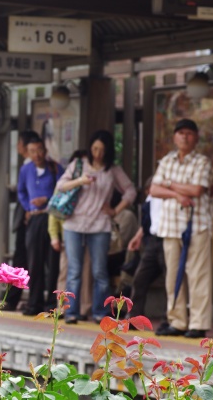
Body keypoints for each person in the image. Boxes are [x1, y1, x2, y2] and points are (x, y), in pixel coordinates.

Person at [57, 130, 136, 324]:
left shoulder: (112, 170)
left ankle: (100, 312)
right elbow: (61, 186)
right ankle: (71, 312)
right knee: (74, 270)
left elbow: (131, 191)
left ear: (108, 151)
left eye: (101, 150)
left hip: (100, 225)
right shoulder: (79, 165)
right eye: (94, 149)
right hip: (74, 224)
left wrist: (115, 210)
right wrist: (80, 181)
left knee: (99, 271)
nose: (97, 153)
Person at [150, 118, 213, 339]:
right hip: (170, 226)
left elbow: (196, 190)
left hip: (197, 225)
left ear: (196, 138)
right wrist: (176, 192)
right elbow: (154, 189)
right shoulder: (166, 160)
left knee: (198, 275)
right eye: (181, 133)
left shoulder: (202, 162)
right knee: (172, 277)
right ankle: (177, 321)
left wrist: (168, 183)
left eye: (189, 133)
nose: (184, 136)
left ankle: (198, 323)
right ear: (174, 137)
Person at [17, 137, 64, 315]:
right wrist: (28, 206)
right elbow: (21, 191)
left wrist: (47, 199)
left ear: (45, 150)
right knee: (34, 263)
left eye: (39, 150)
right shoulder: (25, 170)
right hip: (34, 219)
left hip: (52, 218)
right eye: (32, 151)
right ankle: (34, 303)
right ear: (28, 153)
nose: (37, 154)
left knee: (53, 263)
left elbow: (63, 191)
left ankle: (52, 304)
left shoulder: (55, 168)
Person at [50, 150, 92, 317]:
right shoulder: (65, 184)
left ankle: (84, 308)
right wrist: (54, 236)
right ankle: (62, 308)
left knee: (87, 271)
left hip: (88, 232)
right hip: (68, 233)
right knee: (66, 271)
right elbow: (53, 211)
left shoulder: (90, 185)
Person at [3, 130, 41, 311]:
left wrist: (29, 209)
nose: (17, 146)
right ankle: (14, 298)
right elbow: (22, 193)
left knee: (25, 259)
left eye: (19, 143)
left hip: (32, 218)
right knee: (22, 259)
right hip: (27, 216)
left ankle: (16, 299)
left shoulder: (37, 167)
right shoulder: (27, 167)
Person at [125, 177, 166, 320]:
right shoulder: (149, 202)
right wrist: (138, 236)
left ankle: (170, 317)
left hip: (167, 238)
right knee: (140, 277)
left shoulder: (167, 198)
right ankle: (134, 316)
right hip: (153, 240)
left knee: (170, 280)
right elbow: (148, 222)